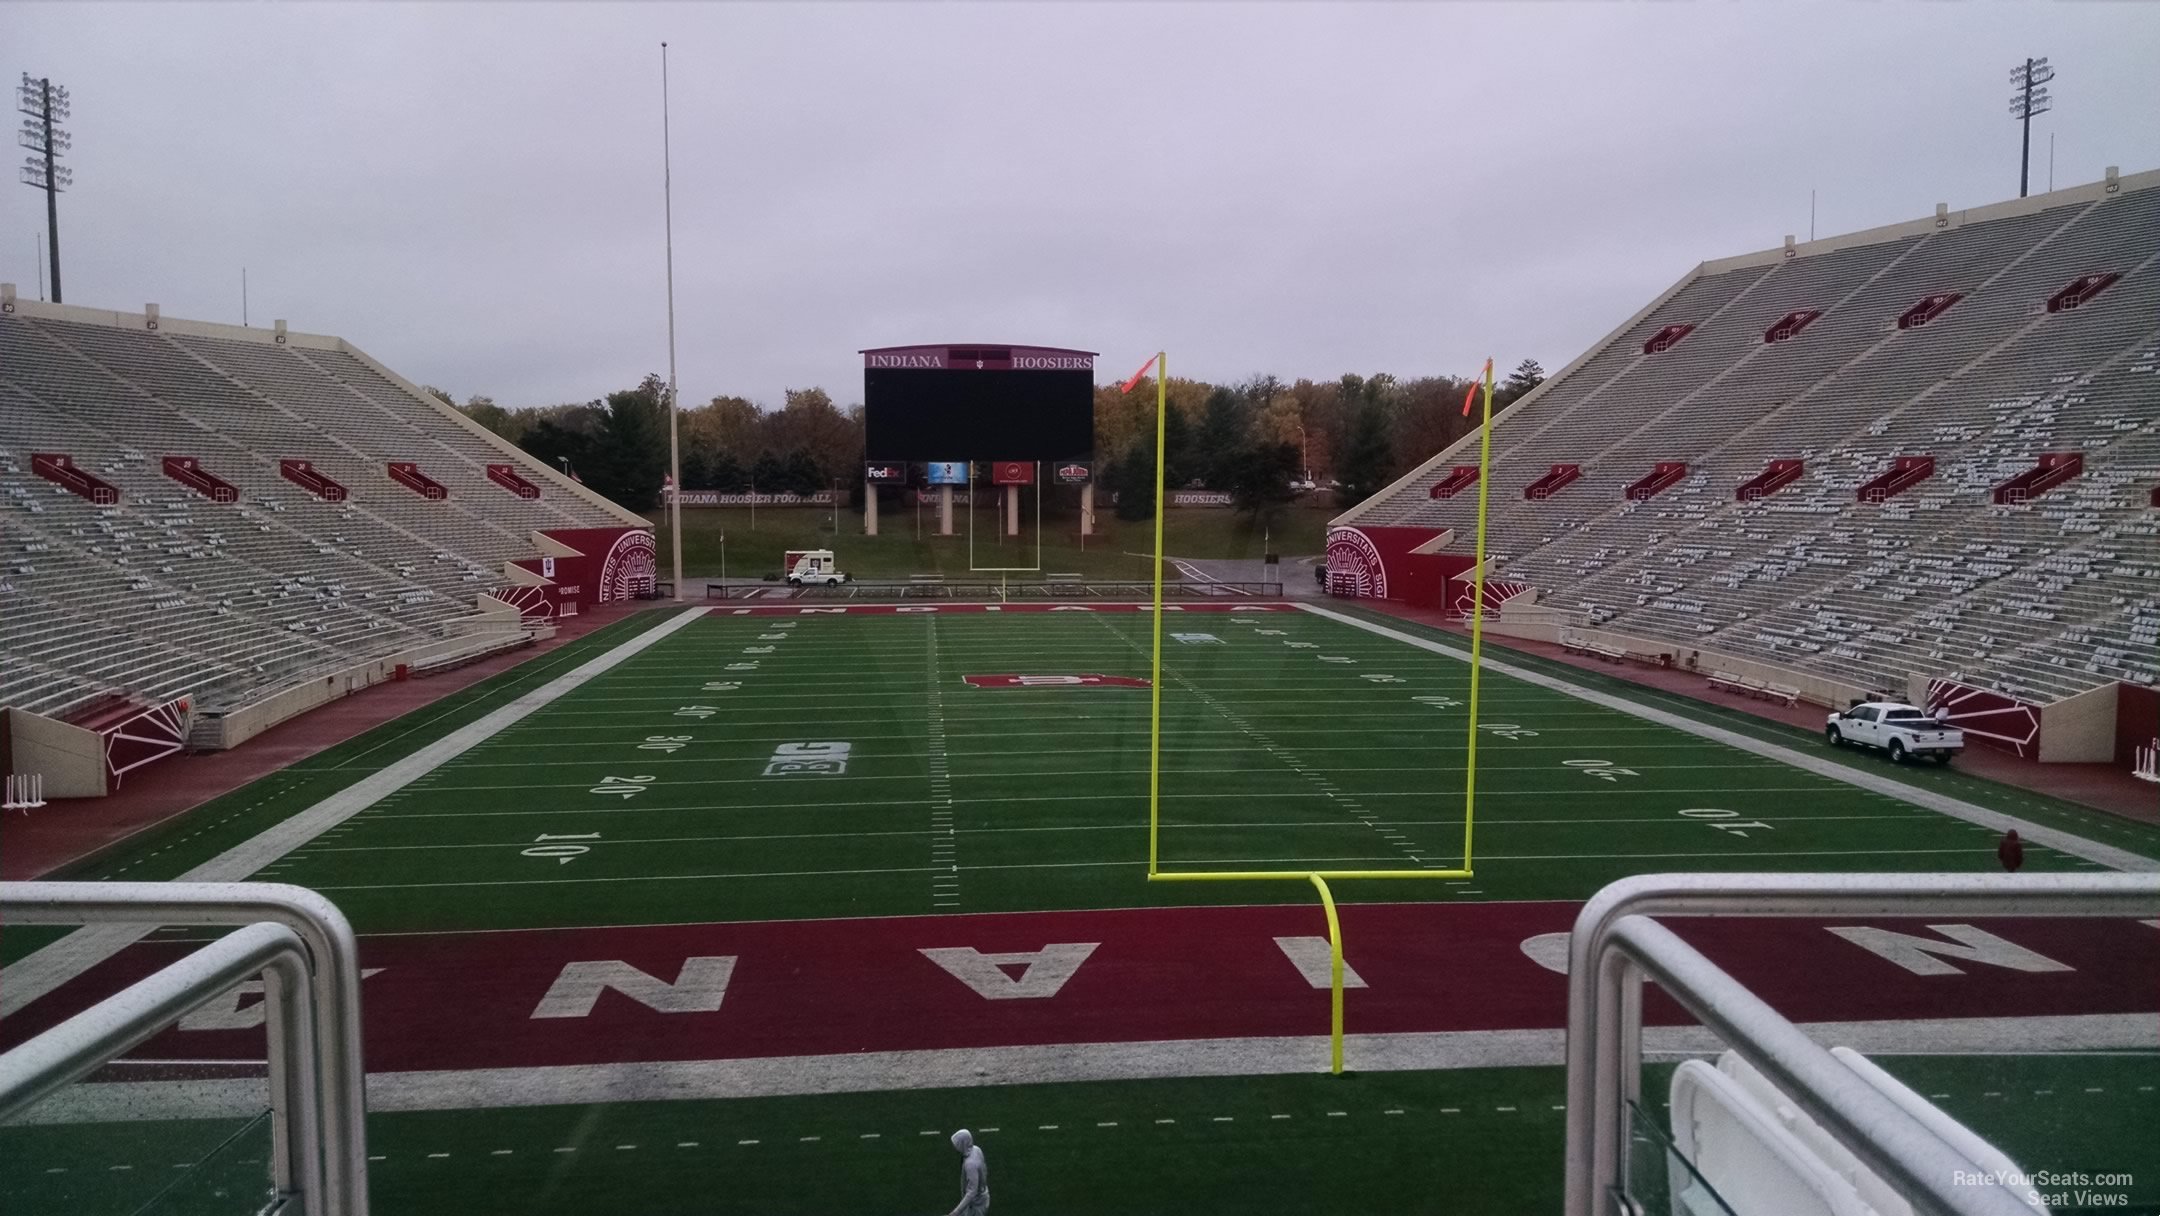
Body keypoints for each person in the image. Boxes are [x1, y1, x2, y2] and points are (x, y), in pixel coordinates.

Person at [946, 1128, 990, 1216]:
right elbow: (984, 1169)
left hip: (975, 1205)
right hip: (981, 1198)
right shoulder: (976, 1149)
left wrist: (954, 1213)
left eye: (957, 1144)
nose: (955, 1147)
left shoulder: (970, 1164)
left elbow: (971, 1192)